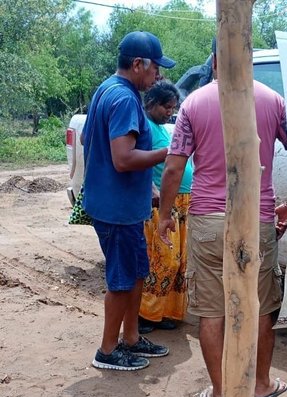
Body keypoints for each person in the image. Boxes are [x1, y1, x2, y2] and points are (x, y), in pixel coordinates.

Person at [158, 38, 287, 397]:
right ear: (248, 59)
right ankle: (261, 385)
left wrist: (166, 214)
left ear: (215, 61)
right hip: (258, 219)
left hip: (208, 221)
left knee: (212, 311)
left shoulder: (194, 102)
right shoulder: (273, 100)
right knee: (261, 306)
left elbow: (174, 165)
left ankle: (221, 393)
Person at [82, 31, 176, 371]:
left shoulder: (108, 89)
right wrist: (169, 152)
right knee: (121, 281)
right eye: (155, 69)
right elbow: (122, 158)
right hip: (117, 210)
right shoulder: (122, 99)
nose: (159, 77)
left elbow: (95, 143)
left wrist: (144, 188)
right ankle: (107, 351)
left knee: (136, 273)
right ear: (138, 64)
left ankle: (132, 338)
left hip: (120, 203)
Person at [138, 81, 193, 333]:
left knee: (179, 261)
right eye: (166, 107)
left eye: (173, 107)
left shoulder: (163, 127)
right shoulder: (144, 126)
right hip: (162, 203)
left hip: (182, 203)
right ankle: (146, 313)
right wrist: (151, 189)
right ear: (151, 103)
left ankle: (166, 311)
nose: (170, 112)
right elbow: (139, 164)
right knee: (163, 259)